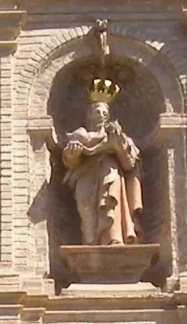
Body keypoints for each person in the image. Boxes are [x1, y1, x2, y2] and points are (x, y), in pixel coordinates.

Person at [61, 78, 143, 245]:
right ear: (89, 115)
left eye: (105, 114)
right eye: (97, 112)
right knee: (86, 209)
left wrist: (118, 147)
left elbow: (129, 164)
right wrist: (73, 154)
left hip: (110, 172)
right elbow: (71, 163)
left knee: (111, 203)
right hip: (85, 176)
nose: (101, 116)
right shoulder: (80, 135)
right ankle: (90, 245)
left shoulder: (117, 136)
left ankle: (113, 239)